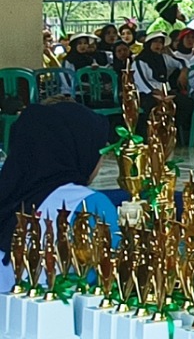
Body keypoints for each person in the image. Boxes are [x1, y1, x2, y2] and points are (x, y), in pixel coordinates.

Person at [0, 102, 119, 293]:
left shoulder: (8, 194)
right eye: (101, 150)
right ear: (79, 149)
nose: (102, 160)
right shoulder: (88, 204)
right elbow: (109, 282)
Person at [132, 32, 193, 143]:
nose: (158, 45)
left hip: (164, 92)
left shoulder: (163, 58)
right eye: (155, 42)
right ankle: (153, 136)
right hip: (146, 94)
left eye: (160, 42)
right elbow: (141, 81)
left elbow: (182, 62)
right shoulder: (139, 61)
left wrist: (184, 71)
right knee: (153, 107)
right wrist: (155, 93)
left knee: (186, 103)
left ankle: (171, 133)